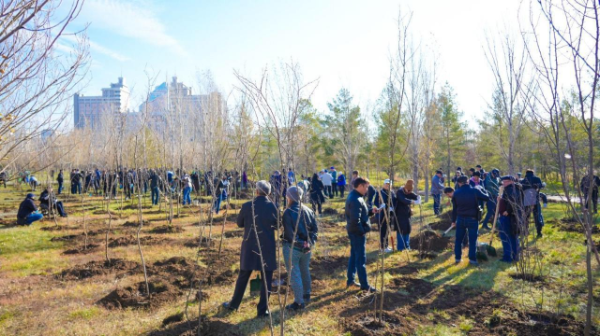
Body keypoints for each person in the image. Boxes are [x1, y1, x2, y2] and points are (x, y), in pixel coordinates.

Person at [223, 181, 278, 318]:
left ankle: (234, 305)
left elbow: (239, 223)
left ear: (257, 191)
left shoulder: (248, 206)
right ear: (269, 192)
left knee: (243, 276)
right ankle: (263, 310)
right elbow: (278, 225)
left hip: (250, 245)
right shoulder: (273, 207)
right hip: (267, 246)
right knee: (267, 278)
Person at [281, 186, 318, 310]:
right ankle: (307, 294)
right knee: (304, 270)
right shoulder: (309, 210)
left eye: (287, 196)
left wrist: (296, 243)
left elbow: (289, 233)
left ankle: (299, 302)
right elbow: (314, 230)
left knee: (294, 273)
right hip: (307, 248)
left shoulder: (288, 212)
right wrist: (309, 243)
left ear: (290, 197)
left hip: (293, 248)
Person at [345, 177, 378, 292]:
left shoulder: (356, 197)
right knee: (360, 258)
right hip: (357, 233)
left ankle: (350, 280)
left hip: (354, 231)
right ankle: (365, 285)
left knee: (354, 256)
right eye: (366, 187)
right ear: (360, 186)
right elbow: (355, 220)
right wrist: (362, 231)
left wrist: (370, 212)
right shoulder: (355, 199)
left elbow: (360, 214)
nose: (367, 189)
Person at [450, 175, 490, 266]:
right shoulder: (475, 190)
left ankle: (457, 258)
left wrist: (453, 221)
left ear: (459, 183)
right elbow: (487, 197)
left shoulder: (456, 193)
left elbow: (454, 209)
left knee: (458, 240)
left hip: (460, 218)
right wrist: (483, 190)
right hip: (472, 218)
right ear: (468, 181)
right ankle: (472, 260)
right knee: (472, 240)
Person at [498, 176, 524, 263]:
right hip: (515, 217)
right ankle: (515, 256)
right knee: (513, 236)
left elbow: (512, 201)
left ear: (510, 182)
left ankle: (507, 257)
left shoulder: (511, 189)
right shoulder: (516, 189)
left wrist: (508, 211)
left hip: (509, 217)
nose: (503, 183)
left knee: (506, 236)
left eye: (504, 182)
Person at [394, 180, 420, 251]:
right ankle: (400, 247)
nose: (409, 192)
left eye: (410, 191)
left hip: (407, 214)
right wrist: (412, 201)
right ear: (405, 188)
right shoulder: (399, 192)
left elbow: (414, 196)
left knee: (407, 229)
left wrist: (418, 197)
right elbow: (403, 199)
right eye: (408, 190)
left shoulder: (408, 191)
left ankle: (407, 246)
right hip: (399, 214)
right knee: (401, 230)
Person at [373, 179, 397, 252]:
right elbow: (375, 202)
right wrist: (380, 205)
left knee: (387, 230)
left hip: (389, 214)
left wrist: (392, 208)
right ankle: (383, 247)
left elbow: (395, 201)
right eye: (386, 184)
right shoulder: (380, 192)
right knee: (382, 231)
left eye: (389, 185)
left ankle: (386, 246)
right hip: (382, 214)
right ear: (384, 184)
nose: (387, 186)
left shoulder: (392, 193)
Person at [520, 169, 545, 238]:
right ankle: (539, 232)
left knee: (525, 217)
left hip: (525, 201)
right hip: (535, 201)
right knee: (537, 217)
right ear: (532, 173)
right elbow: (541, 186)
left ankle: (525, 231)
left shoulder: (523, 181)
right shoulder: (537, 179)